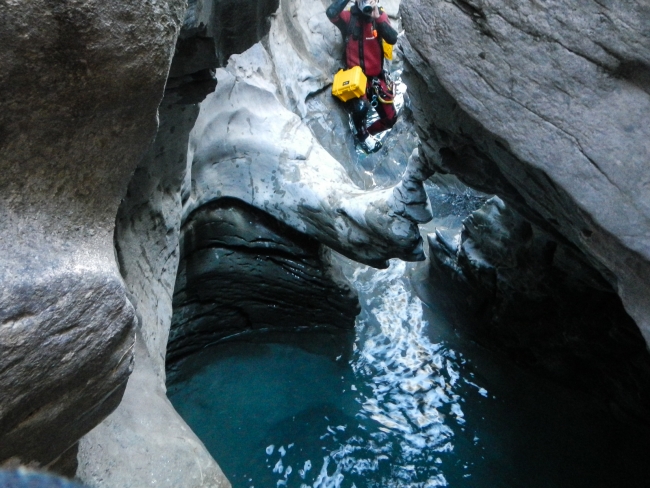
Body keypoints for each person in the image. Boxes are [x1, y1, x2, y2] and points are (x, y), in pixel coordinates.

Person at [327, 0, 398, 153]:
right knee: (361, 107)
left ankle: (368, 134)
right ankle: (361, 135)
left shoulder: (378, 17)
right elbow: (331, 13)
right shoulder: (349, 18)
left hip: (376, 78)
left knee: (390, 119)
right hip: (357, 79)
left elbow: (392, 38)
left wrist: (377, 15)